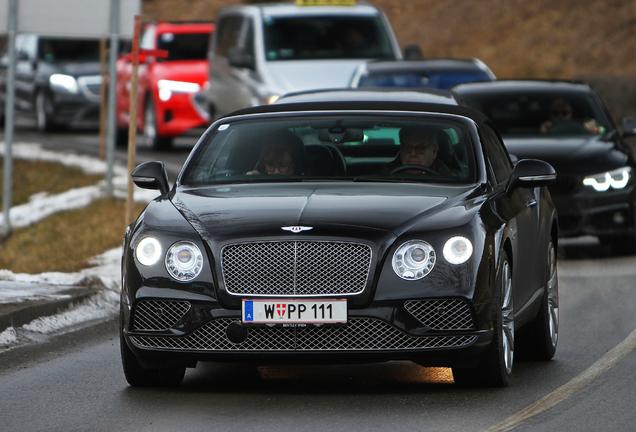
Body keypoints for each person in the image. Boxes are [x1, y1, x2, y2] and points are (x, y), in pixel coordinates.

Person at [381, 126, 456, 176]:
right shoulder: (383, 175)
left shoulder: (450, 179)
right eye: (407, 147)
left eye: (420, 148)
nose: (413, 154)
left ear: (434, 151)